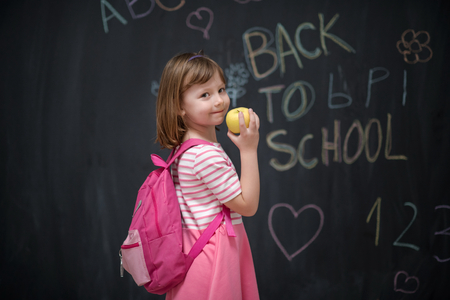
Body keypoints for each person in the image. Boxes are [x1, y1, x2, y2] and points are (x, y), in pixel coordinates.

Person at [155, 51, 260, 300]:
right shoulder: (204, 156)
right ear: (179, 107)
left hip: (199, 253)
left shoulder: (188, 147)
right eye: (205, 95)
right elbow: (247, 206)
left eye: (221, 90)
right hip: (214, 261)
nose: (219, 101)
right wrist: (248, 149)